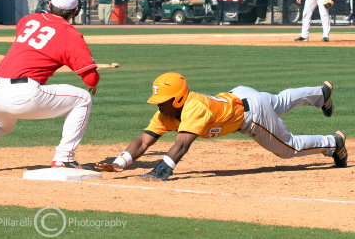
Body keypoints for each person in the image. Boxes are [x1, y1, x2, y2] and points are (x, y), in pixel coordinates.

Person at [96, 72, 348, 181]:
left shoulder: (194, 108)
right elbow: (143, 142)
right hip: (240, 95)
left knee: (287, 147)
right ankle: (320, 93)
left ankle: (333, 143)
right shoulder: (165, 114)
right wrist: (120, 162)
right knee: (280, 100)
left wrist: (162, 170)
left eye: (163, 101)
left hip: (252, 115)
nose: (159, 106)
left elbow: (181, 145)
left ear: (179, 99)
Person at [0, 0, 100, 174]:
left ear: (49, 5)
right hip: (25, 94)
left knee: (1, 123)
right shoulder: (70, 34)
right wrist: (92, 80)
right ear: (74, 12)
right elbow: (90, 79)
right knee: (83, 98)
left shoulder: (27, 21)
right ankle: (64, 158)